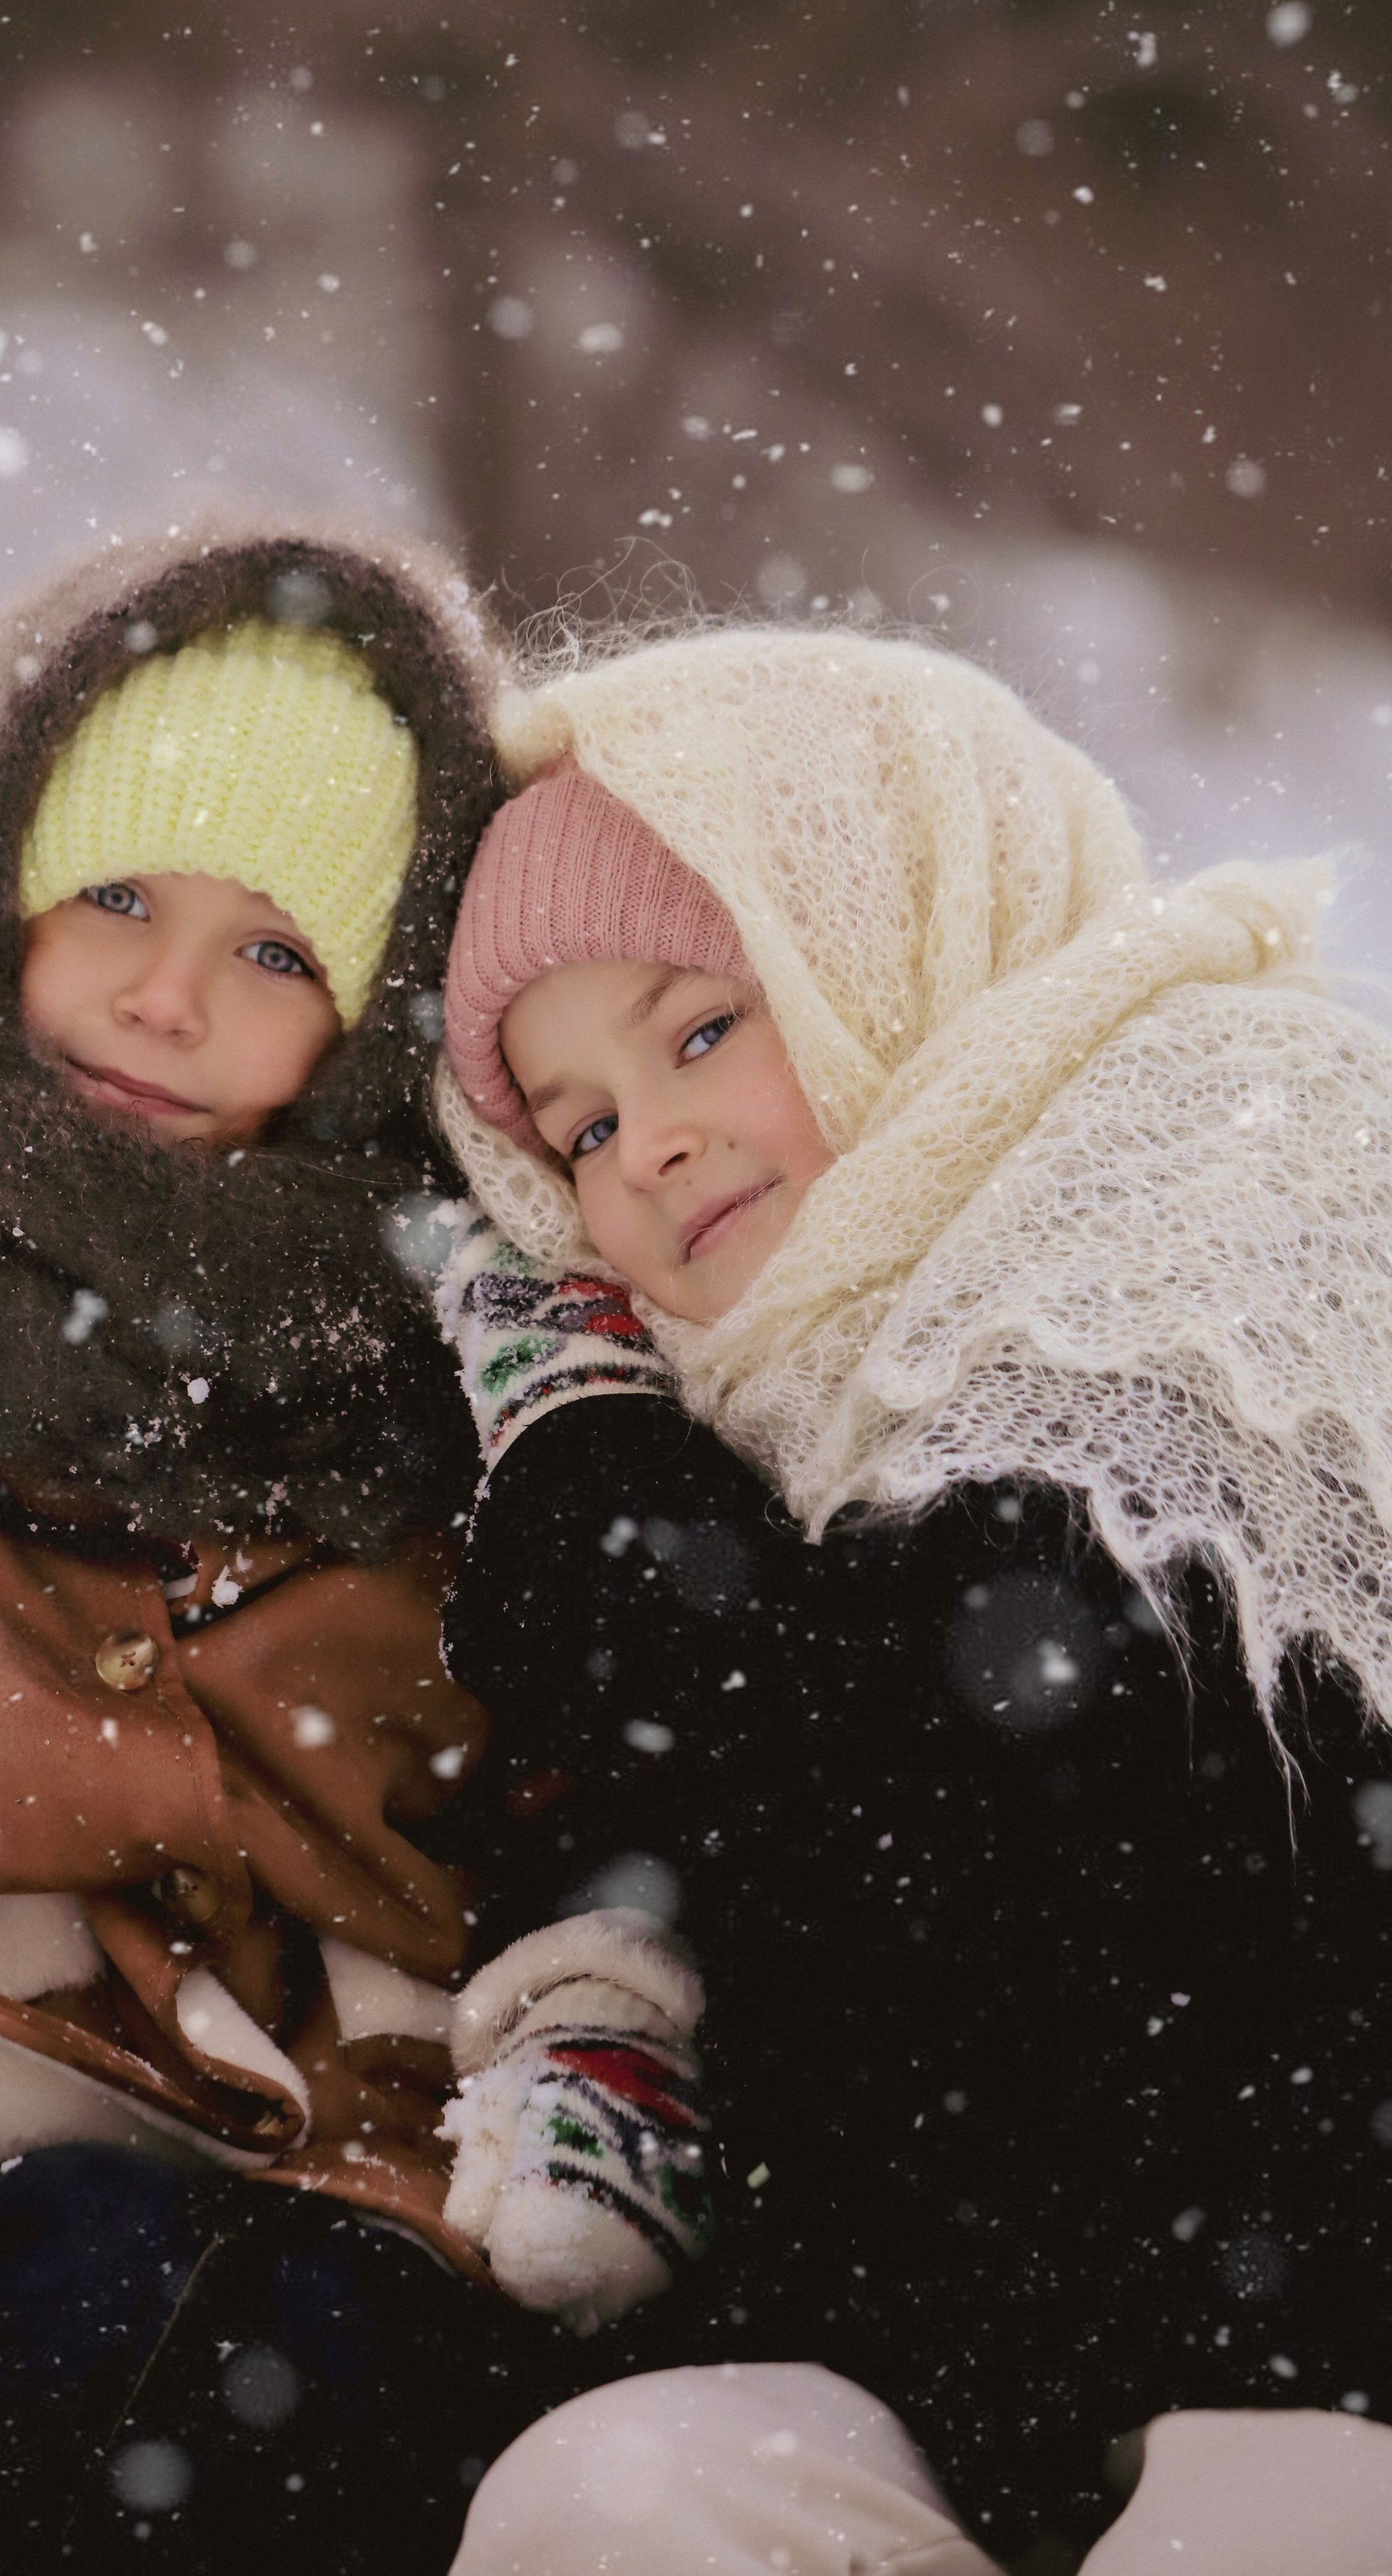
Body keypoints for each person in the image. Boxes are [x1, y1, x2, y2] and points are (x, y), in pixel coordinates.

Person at [0, 521, 685, 2576]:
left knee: (330, 2359)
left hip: (377, 2218)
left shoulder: (471, 1380)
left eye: (277, 955)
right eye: (116, 898)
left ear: (369, 1024)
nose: (167, 999)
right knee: (88, 2273)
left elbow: (616, 1790)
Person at [427, 625, 1392, 2574]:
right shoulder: (790, 1409)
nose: (650, 1140)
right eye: (580, 1128)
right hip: (1003, 2382)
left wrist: (589, 1466)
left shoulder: (1227, 1182)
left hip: (1318, 2352)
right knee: (608, 2500)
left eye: (705, 1029)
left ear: (884, 938)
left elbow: (949, 1771)